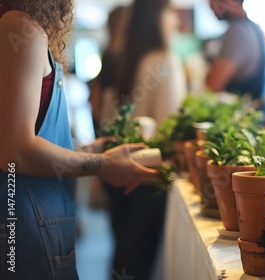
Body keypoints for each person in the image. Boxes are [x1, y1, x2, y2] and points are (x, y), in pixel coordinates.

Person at [0, 0, 161, 279]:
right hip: (22, 222)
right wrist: (100, 165)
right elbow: (17, 153)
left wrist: (79, 151)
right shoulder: (20, 27)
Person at [102, 0, 187, 278]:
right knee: (140, 263)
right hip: (149, 176)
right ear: (157, 16)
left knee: (124, 258)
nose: (175, 20)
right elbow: (169, 128)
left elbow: (106, 117)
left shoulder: (121, 55)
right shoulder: (164, 60)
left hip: (119, 171)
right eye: (171, 12)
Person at [205, 0, 265, 115]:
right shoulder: (254, 27)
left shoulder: (237, 31)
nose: (210, 6)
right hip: (262, 112)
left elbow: (212, 86)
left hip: (247, 117)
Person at [87, 5, 129, 137]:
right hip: (110, 118)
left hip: (107, 117)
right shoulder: (114, 56)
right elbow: (98, 91)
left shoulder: (110, 53)